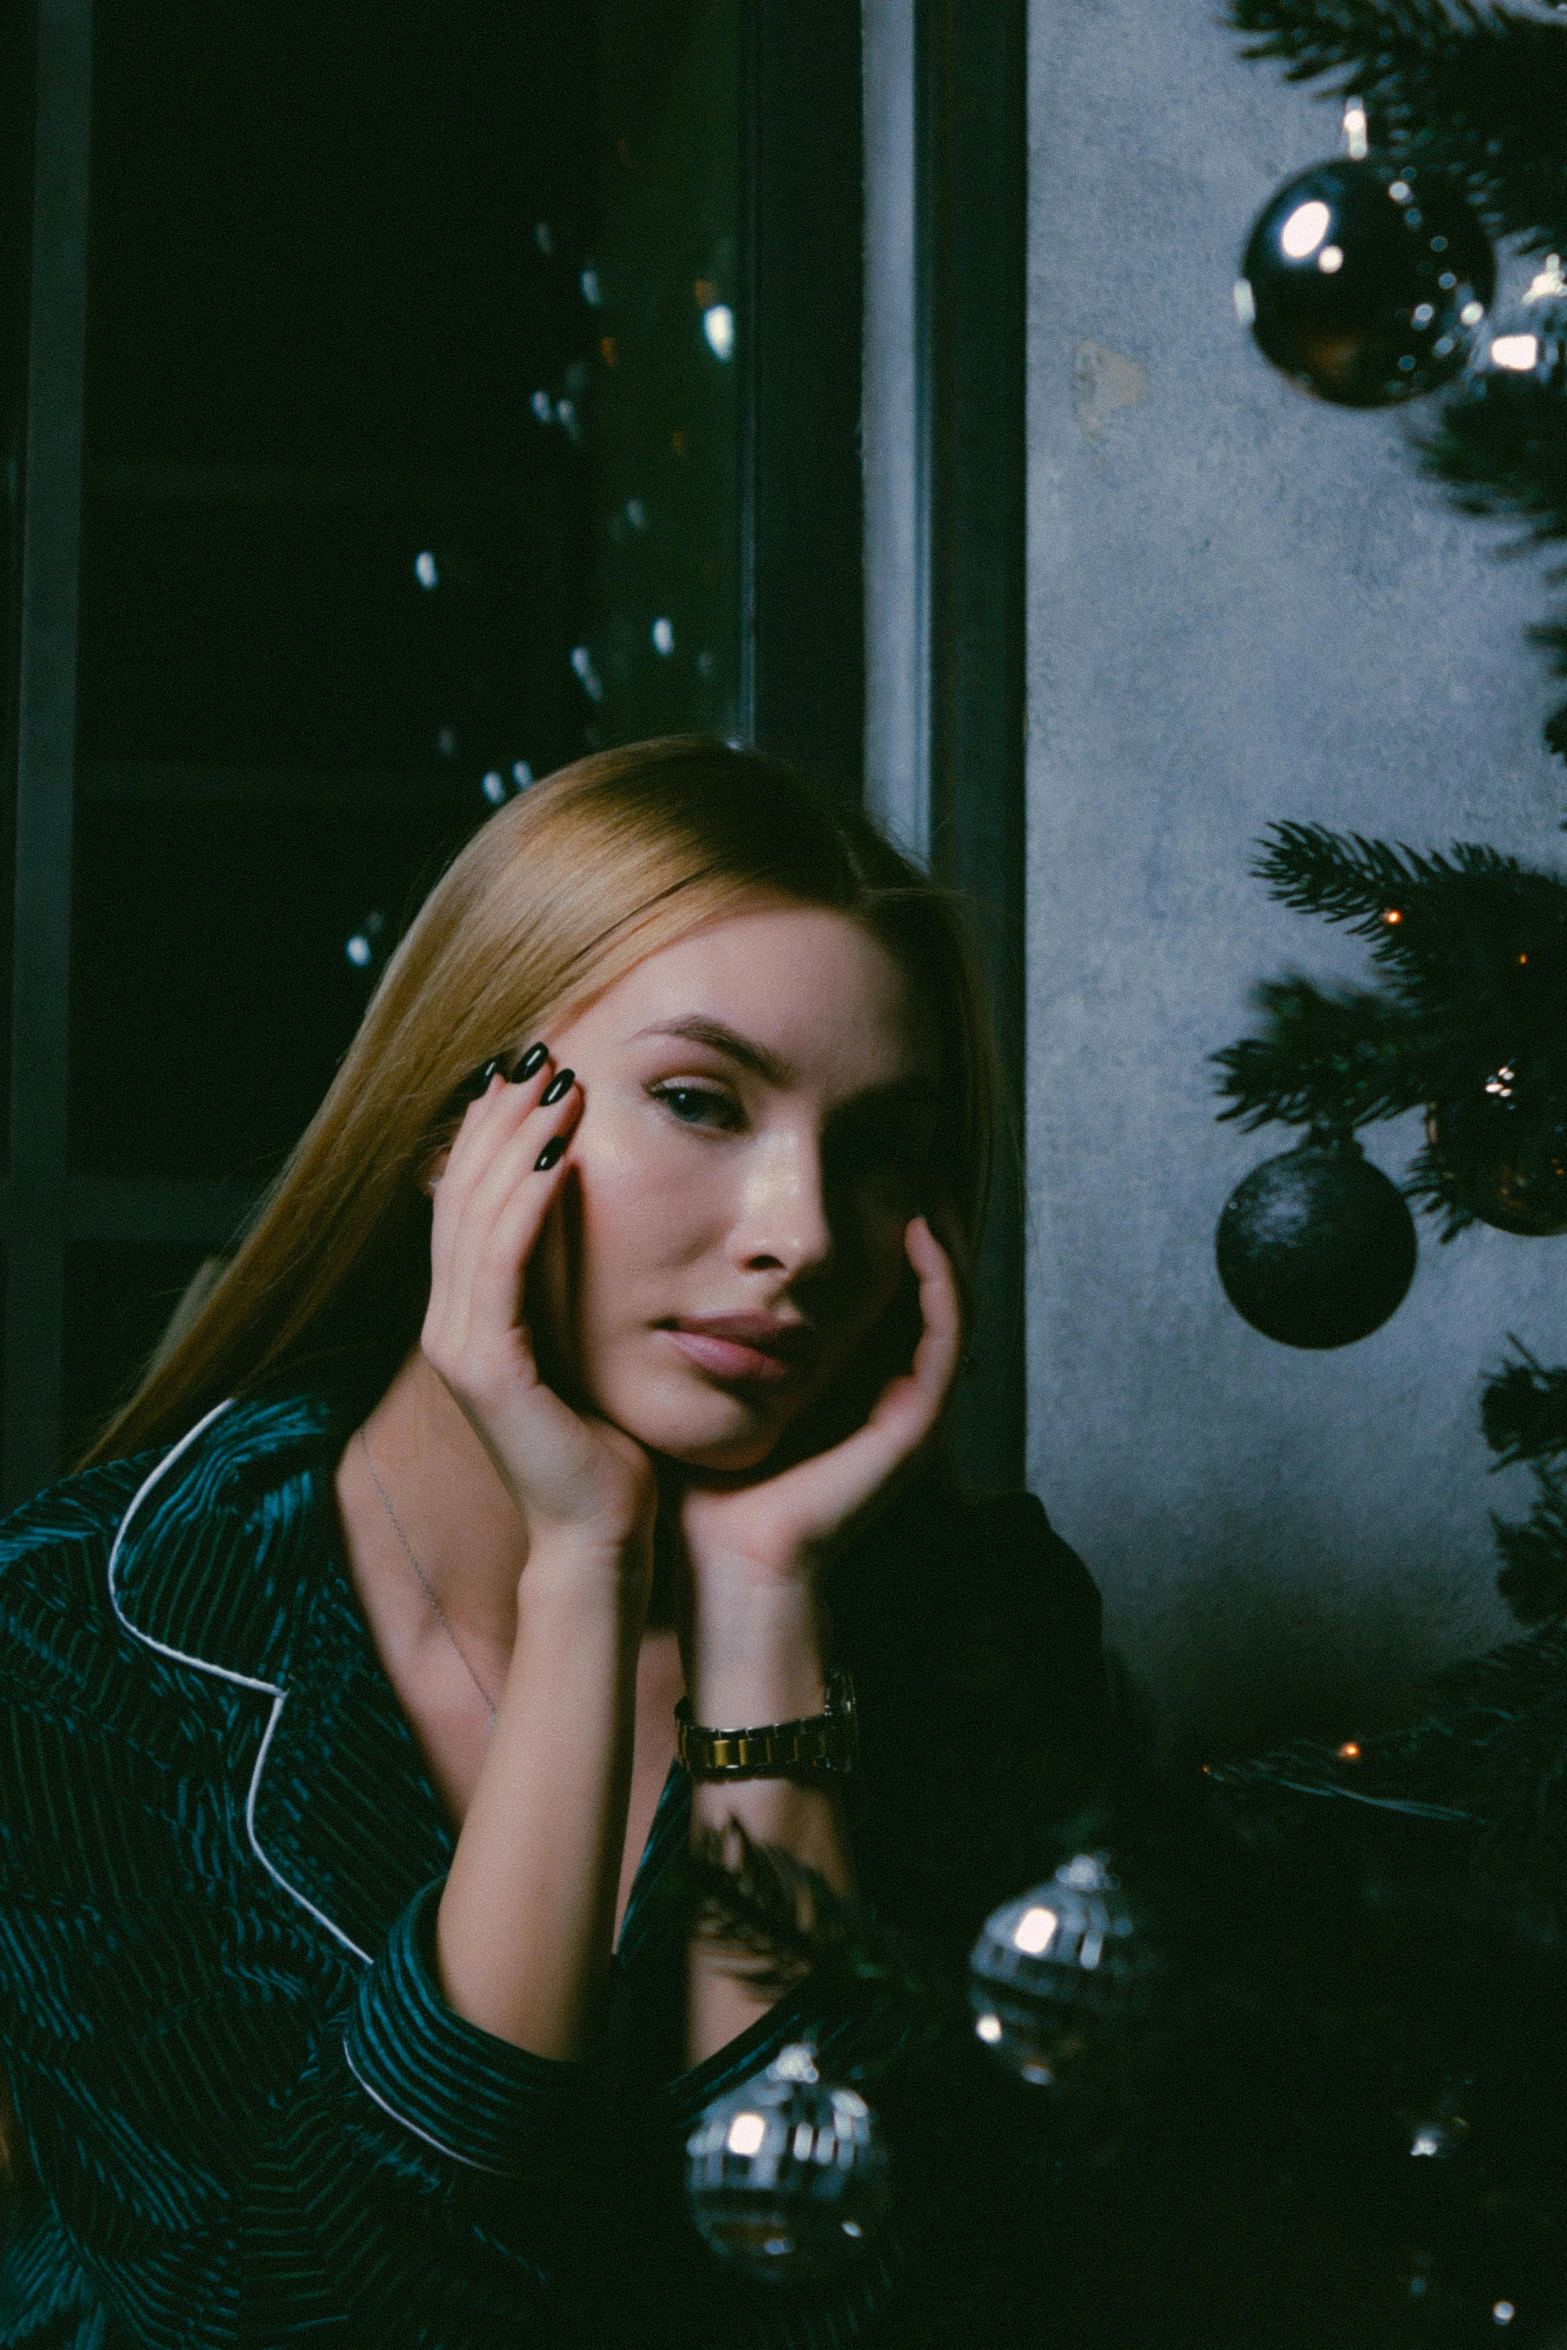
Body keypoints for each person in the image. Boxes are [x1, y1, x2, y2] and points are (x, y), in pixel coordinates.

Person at [0, 738, 1107, 2347]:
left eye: (876, 1149)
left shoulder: (982, 1633)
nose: (799, 1232)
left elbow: (882, 2300)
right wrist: (581, 1570)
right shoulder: (78, 1631)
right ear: (470, 1124)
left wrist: (757, 1612)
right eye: (699, 1101)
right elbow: (298, 2317)